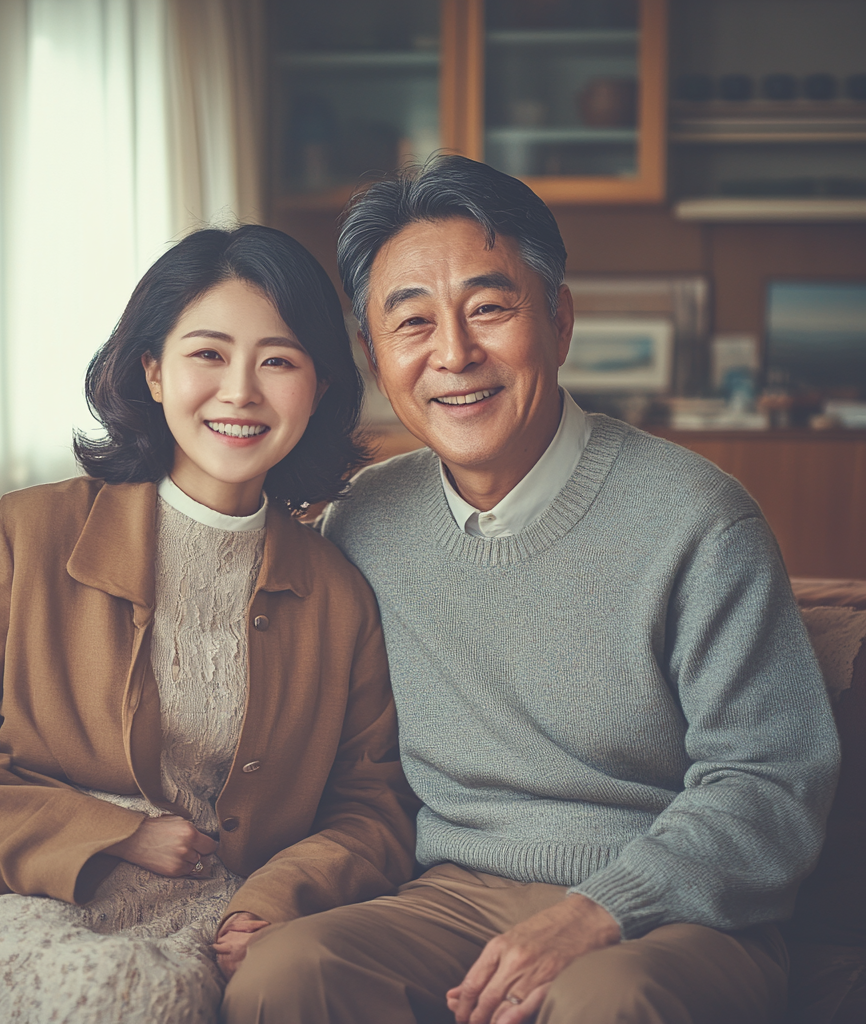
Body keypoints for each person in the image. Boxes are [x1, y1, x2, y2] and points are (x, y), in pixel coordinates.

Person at [220, 156, 842, 1024]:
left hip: (672, 915)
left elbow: (771, 784)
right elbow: (344, 770)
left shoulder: (699, 520)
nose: (454, 354)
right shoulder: (362, 523)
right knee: (286, 975)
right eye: (411, 324)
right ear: (373, 354)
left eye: (489, 309)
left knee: (603, 1002)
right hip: (448, 899)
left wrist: (603, 909)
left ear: (558, 317)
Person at [0, 225, 418, 1024]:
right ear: (152, 370)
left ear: (318, 387)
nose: (241, 391)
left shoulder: (338, 596)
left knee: (170, 992)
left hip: (207, 915)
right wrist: (117, 834)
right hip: (6, 887)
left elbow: (372, 804)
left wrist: (278, 896)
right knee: (134, 998)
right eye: (208, 354)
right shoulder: (29, 534)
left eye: (278, 360)